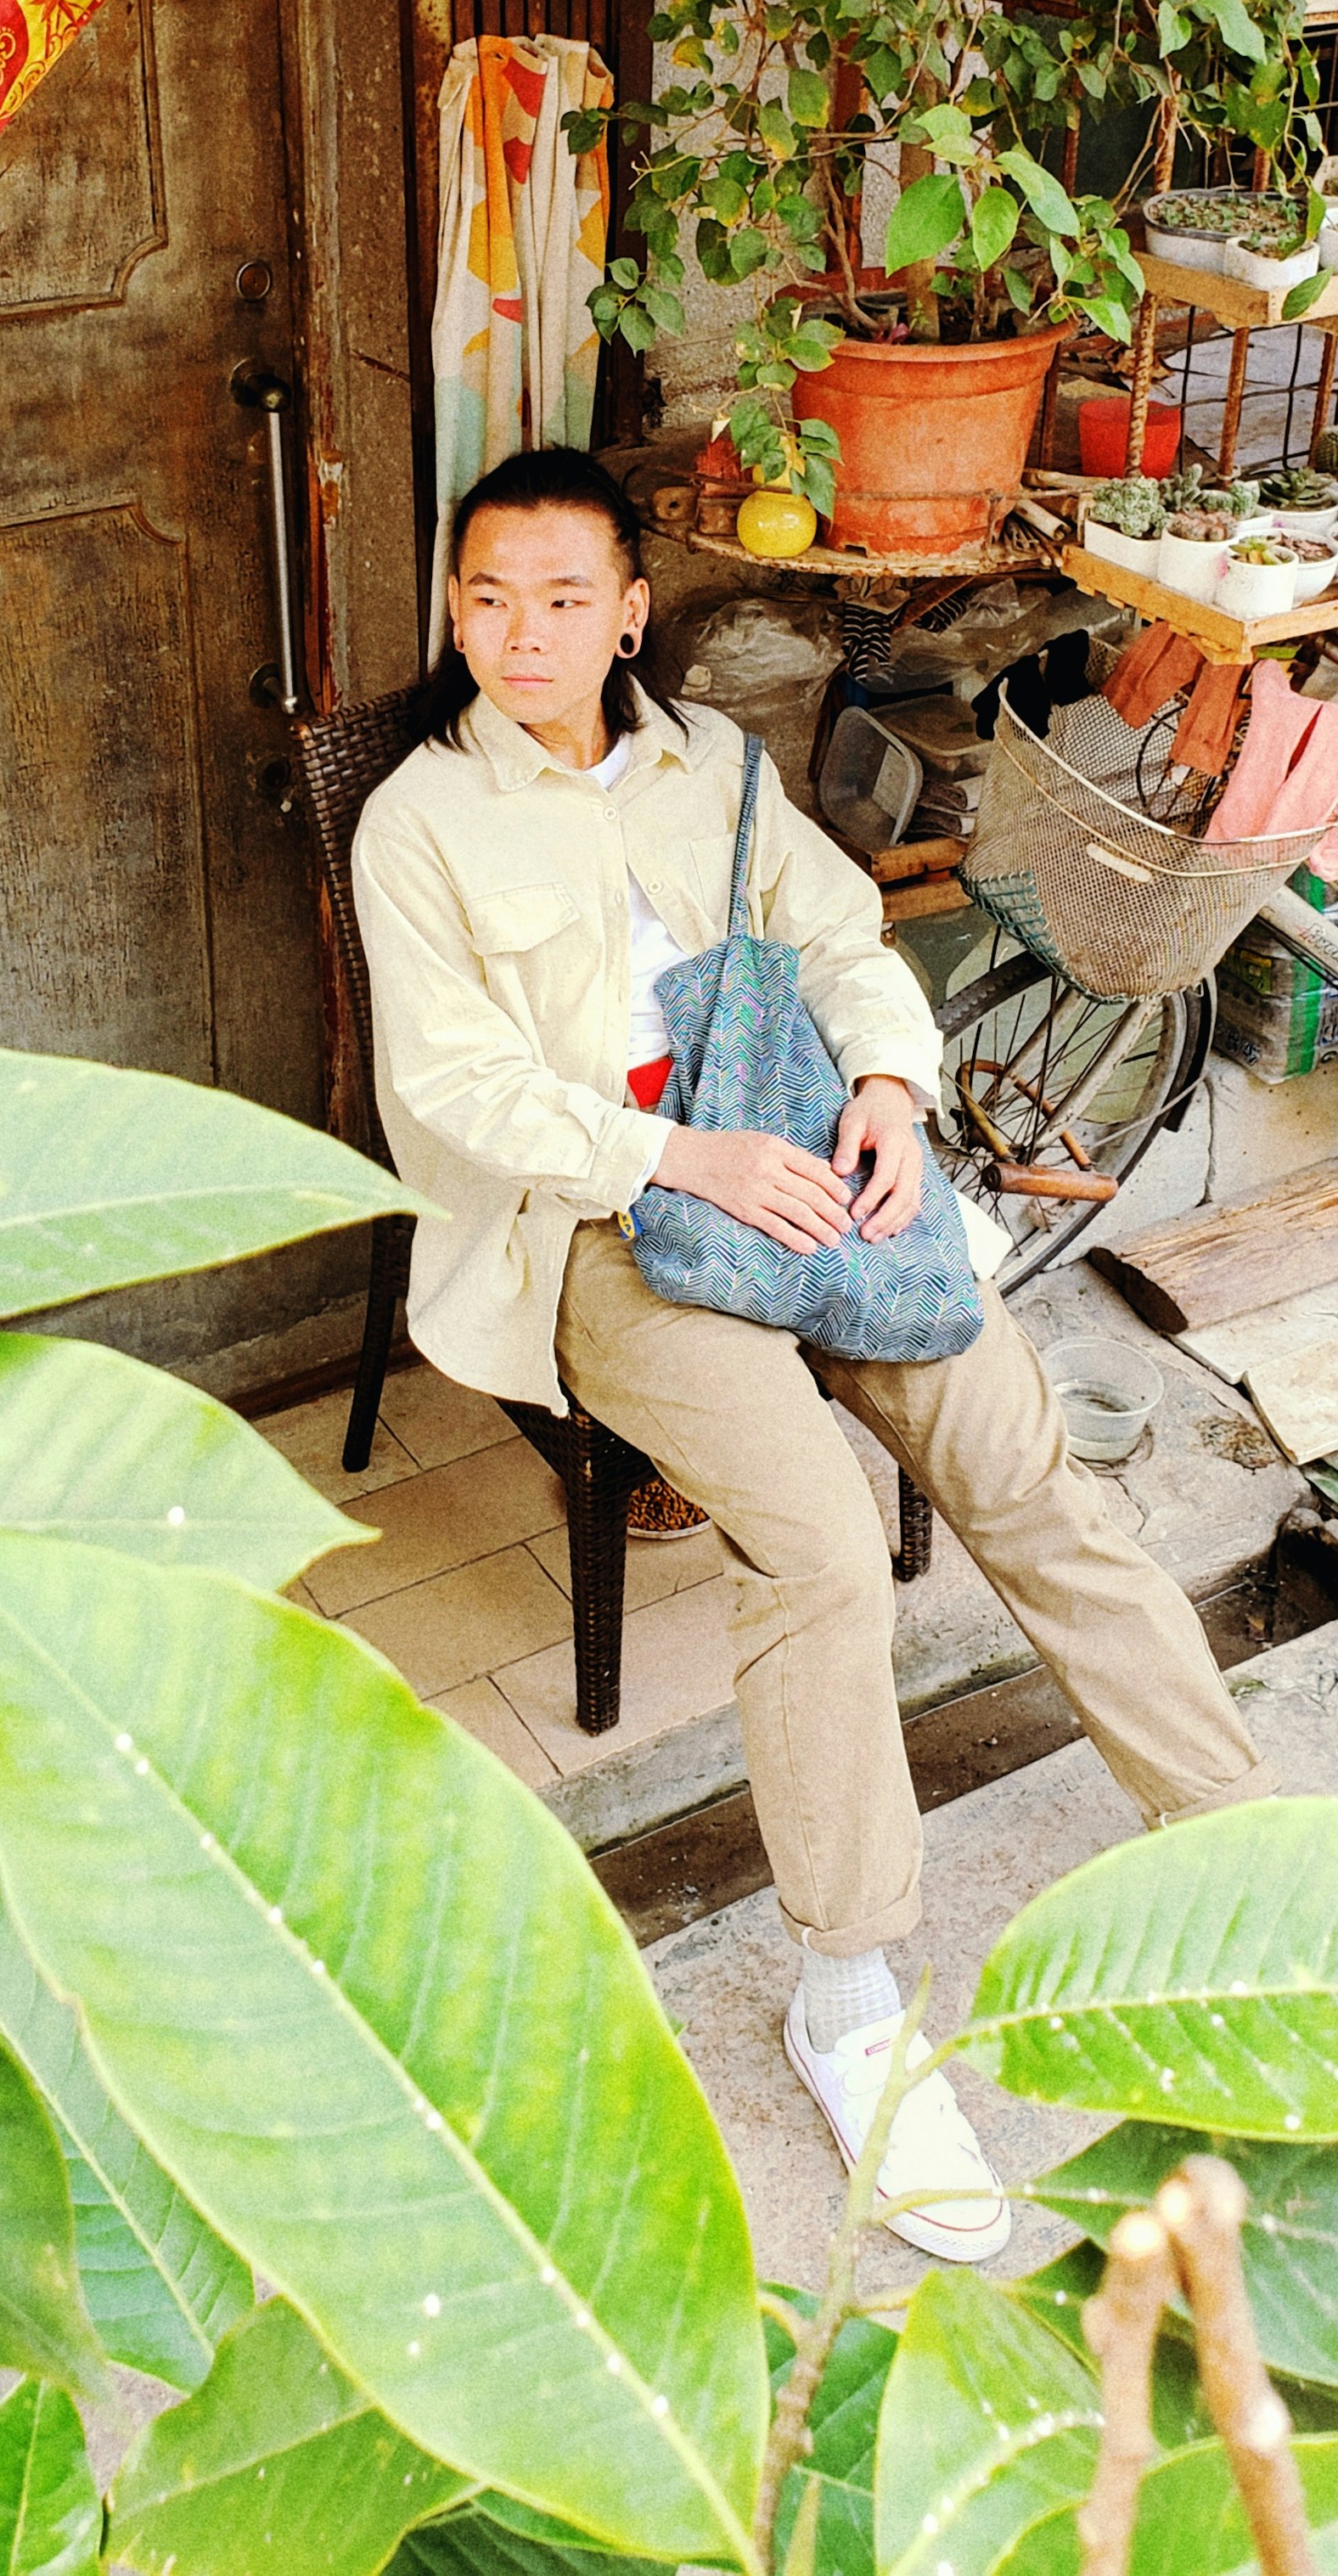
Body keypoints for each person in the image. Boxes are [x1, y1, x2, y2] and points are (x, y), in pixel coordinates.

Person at [352, 447, 1274, 2264]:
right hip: (607, 1231)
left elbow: (844, 943)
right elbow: (447, 1096)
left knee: (1023, 1472)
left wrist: (880, 1084)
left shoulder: (714, 768)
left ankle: (1245, 1857)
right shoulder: (419, 824)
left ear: (629, 609)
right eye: (484, 599)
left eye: (559, 598)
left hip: (815, 1163)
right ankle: (849, 1996)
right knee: (822, 1546)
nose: (517, 634)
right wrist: (679, 1159)